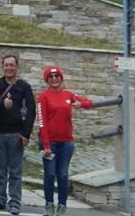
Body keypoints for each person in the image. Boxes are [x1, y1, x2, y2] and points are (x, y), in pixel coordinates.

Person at [37, 65, 93, 216]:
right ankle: (49, 204)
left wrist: (81, 104)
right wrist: (46, 145)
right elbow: (42, 122)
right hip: (49, 143)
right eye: (51, 77)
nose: (54, 79)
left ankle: (62, 206)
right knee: (50, 174)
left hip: (66, 143)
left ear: (61, 78)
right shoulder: (43, 97)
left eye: (57, 76)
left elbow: (89, 103)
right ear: (47, 80)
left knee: (62, 174)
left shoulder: (68, 95)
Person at [0, 55, 36, 215]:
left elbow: (31, 111)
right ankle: (0, 199)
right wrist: (2, 103)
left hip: (16, 134)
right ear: (2, 67)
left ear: (17, 67)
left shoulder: (24, 87)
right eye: (6, 65)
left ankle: (14, 202)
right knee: (0, 170)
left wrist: (26, 134)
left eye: (12, 65)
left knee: (15, 171)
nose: (9, 68)